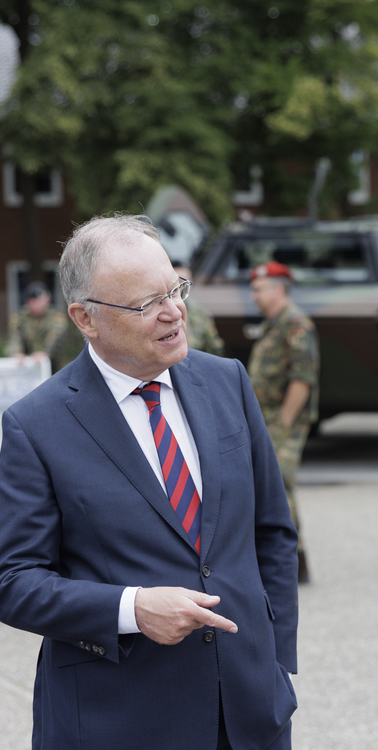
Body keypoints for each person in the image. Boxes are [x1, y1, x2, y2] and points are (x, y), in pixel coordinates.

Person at [0, 215, 298, 750]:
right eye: (144, 304)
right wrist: (130, 609)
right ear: (84, 319)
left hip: (251, 715)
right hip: (118, 721)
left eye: (175, 290)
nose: (173, 312)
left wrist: (274, 662)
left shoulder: (227, 380)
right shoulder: (34, 426)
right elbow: (13, 580)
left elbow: (272, 532)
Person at [247, 261, 319, 584]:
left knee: (279, 487)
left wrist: (285, 423)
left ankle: (293, 563)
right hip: (268, 419)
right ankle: (288, 561)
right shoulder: (274, 324)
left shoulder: (296, 324)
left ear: (278, 289)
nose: (253, 297)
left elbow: (302, 379)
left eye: (258, 290)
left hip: (281, 420)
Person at [5, 281, 72, 372]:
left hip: (55, 366)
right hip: (27, 366)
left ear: (48, 299)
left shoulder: (56, 318)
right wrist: (16, 353)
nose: (36, 304)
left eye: (39, 300)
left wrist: (45, 353)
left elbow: (55, 339)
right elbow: (14, 338)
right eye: (33, 301)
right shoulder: (20, 318)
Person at [172, 262, 225, 355]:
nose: (182, 287)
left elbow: (213, 346)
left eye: (186, 282)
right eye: (179, 282)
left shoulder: (200, 312)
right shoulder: (162, 310)